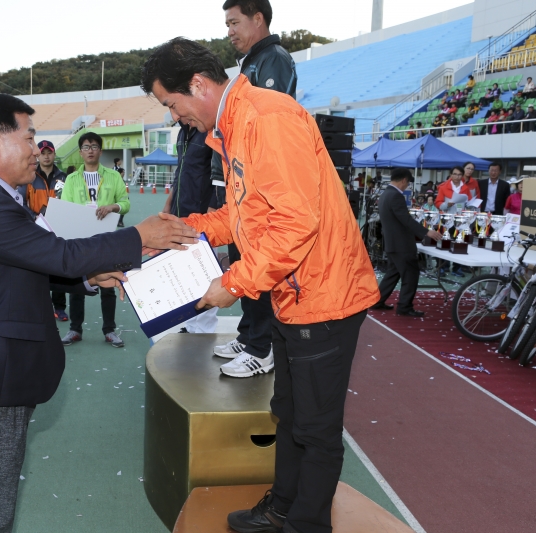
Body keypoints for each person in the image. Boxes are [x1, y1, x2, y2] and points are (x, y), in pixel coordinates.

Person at [142, 37, 380, 533]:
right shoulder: (236, 125)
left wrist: (235, 282)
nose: (173, 116)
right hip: (293, 293)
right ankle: (282, 509)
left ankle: (305, 524)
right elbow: (243, 216)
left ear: (199, 85)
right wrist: (184, 231)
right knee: (288, 414)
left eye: (171, 103)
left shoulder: (266, 118)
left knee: (315, 430)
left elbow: (296, 223)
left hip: (324, 297)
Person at [0, 93, 197, 533]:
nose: (38, 150)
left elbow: (25, 266)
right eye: (30, 137)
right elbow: (54, 252)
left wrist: (88, 277)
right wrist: (136, 236)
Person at [209, 0, 298, 377]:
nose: (229, 31)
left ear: (257, 19)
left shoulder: (273, 58)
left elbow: (270, 123)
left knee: (258, 262)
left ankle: (262, 348)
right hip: (239, 181)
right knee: (244, 258)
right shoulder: (250, 63)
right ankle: (249, 337)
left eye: (234, 22)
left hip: (257, 186)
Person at [59, 132, 131, 348]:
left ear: (100, 150)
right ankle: (75, 329)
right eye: (86, 147)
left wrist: (113, 207)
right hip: (79, 240)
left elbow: (125, 203)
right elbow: (66, 209)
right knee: (76, 286)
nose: (90, 150)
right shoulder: (71, 179)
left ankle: (109, 330)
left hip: (106, 239)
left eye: (94, 146)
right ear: (80, 152)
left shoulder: (113, 176)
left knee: (108, 285)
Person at [163, 120, 219, 335]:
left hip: (204, 216)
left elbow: (220, 173)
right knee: (185, 275)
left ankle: (204, 330)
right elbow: (181, 170)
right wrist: (169, 203)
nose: (175, 114)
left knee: (205, 276)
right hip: (180, 214)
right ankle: (190, 324)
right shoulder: (183, 133)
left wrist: (213, 210)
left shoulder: (210, 130)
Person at [372, 169, 442, 317]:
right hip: (401, 243)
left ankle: (378, 300)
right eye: (408, 183)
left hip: (391, 242)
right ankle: (404, 306)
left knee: (393, 272)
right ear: (404, 180)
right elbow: (405, 219)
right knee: (410, 274)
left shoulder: (385, 194)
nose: (407, 186)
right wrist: (426, 232)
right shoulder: (396, 196)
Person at [22, 139, 69, 321]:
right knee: (37, 269)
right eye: (43, 153)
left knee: (57, 269)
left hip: (59, 228)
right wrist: (34, 217)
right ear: (38, 155)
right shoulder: (30, 177)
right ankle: (41, 307)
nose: (46, 156)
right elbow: (21, 201)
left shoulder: (64, 178)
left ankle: (59, 307)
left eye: (49, 152)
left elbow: (69, 202)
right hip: (36, 228)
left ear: (54, 154)